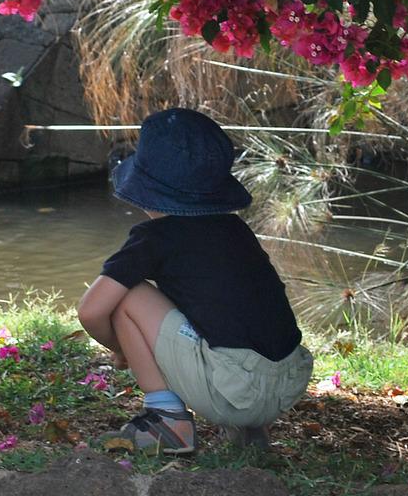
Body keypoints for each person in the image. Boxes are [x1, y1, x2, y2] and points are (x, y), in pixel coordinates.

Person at [77, 108, 314, 455]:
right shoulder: (236, 230)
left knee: (127, 297)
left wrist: (121, 348)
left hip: (236, 389)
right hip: (287, 381)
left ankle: (166, 420)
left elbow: (90, 311)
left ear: (145, 189)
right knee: (221, 310)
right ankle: (249, 434)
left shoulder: (155, 237)